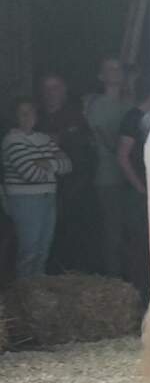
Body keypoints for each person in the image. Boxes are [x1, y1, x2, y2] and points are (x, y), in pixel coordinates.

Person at [36, 72, 101, 274]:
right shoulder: (34, 117)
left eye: (55, 87)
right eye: (47, 88)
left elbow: (87, 154)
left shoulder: (76, 117)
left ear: (64, 90)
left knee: (73, 235)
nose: (51, 93)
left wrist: (62, 139)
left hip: (75, 189)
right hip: (40, 190)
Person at [2, 97, 72, 278]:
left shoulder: (43, 138)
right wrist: (54, 164)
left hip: (48, 197)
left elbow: (68, 165)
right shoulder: (11, 141)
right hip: (25, 200)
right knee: (29, 249)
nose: (27, 117)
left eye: (31, 111)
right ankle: (23, 291)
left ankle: (37, 288)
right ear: (15, 116)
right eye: (22, 113)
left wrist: (45, 164)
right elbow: (30, 174)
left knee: (43, 248)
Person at [117, 72, 150, 307]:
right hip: (139, 194)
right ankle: (142, 299)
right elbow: (123, 157)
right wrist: (140, 188)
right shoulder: (133, 118)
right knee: (141, 248)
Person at [85, 55, 130, 277]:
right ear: (101, 76)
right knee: (113, 231)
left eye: (118, 68)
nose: (116, 72)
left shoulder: (129, 103)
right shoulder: (96, 106)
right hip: (109, 177)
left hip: (132, 179)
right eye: (110, 69)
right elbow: (111, 143)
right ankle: (114, 280)